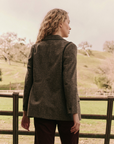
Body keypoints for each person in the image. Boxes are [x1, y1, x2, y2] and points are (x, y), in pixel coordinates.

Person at [21, 8, 81, 144]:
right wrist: (75, 114)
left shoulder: (36, 48)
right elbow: (69, 83)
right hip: (67, 111)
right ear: (60, 23)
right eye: (68, 22)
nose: (70, 27)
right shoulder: (69, 47)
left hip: (41, 111)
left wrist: (25, 113)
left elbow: (28, 83)